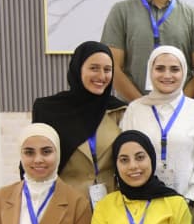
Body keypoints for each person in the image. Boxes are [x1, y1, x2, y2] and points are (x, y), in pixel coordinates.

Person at [32, 40, 127, 204]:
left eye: (107, 69)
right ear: (78, 68)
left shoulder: (119, 111)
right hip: (65, 205)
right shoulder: (48, 110)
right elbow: (35, 158)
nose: (101, 76)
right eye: (94, 68)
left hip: (112, 206)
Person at [120, 45, 194, 202]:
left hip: (188, 204)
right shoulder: (135, 110)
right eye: (160, 68)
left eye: (174, 69)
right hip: (142, 203)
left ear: (184, 72)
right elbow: (124, 157)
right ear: (150, 71)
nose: (167, 75)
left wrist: (189, 201)